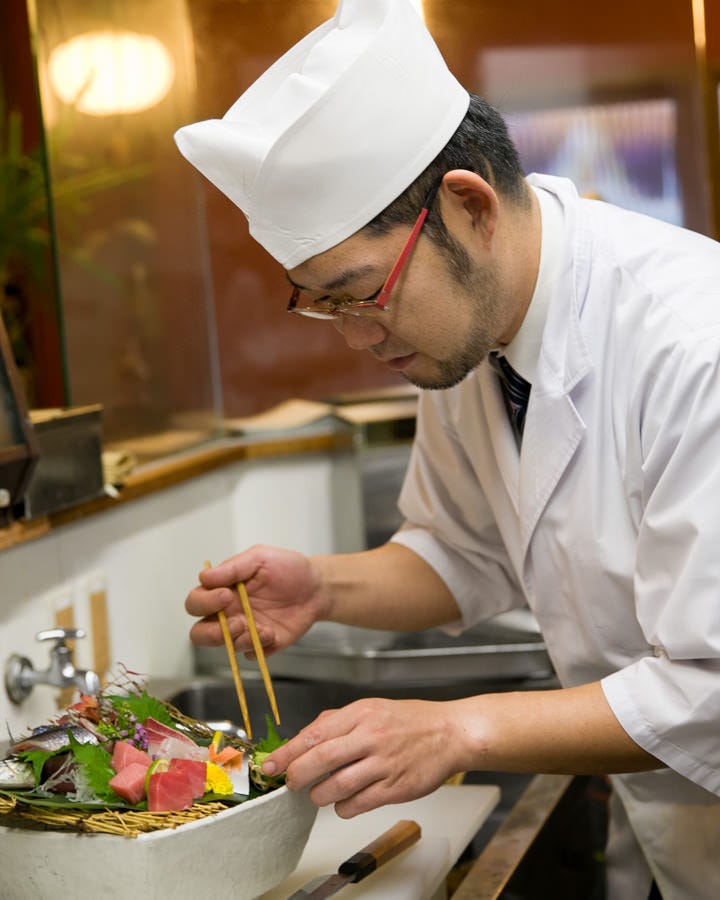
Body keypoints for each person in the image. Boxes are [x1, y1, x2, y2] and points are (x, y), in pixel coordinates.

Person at [175, 1, 720, 896]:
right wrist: (325, 586)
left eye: (361, 293)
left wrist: (457, 730)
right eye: (322, 303)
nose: (357, 339)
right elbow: (463, 551)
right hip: (667, 829)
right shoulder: (467, 334)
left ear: (467, 207)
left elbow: (710, 681)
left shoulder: (692, 343)